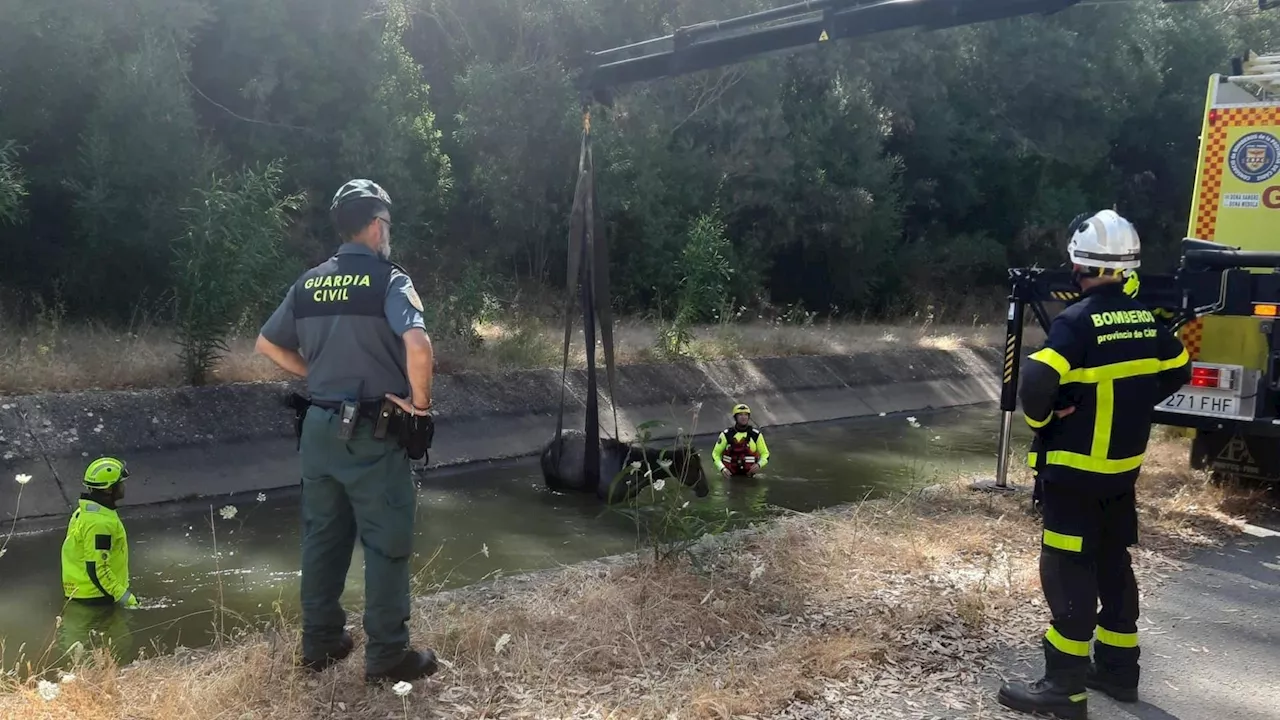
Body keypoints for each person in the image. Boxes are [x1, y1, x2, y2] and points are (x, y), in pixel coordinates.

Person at [997, 210, 1191, 719]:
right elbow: (1178, 367)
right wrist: (1132, 399)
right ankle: (1118, 671)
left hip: (1073, 473)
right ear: (1128, 268)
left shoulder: (1077, 320)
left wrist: (1048, 419)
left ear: (1078, 265)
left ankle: (1064, 687)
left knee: (1066, 567)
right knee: (1111, 560)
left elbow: (1036, 381)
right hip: (1120, 472)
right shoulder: (1144, 319)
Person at [255, 178, 438, 684]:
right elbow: (418, 346)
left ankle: (320, 644)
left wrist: (315, 375)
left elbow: (267, 345)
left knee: (322, 537)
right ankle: (386, 657)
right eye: (387, 225)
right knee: (385, 541)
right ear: (377, 225)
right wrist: (420, 409)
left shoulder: (309, 283)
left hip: (317, 427)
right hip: (373, 432)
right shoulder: (389, 280)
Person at [61, 457, 139, 609]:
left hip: (83, 592)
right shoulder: (100, 523)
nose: (123, 487)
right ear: (109, 489)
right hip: (97, 597)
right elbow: (97, 569)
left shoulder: (83, 512)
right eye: (120, 483)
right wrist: (126, 598)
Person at [712, 404, 771, 478]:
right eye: (740, 415)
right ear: (735, 417)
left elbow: (765, 454)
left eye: (746, 415)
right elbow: (715, 454)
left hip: (750, 476)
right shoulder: (726, 434)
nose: (744, 417)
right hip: (729, 476)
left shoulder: (756, 435)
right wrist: (722, 468)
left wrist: (759, 465)